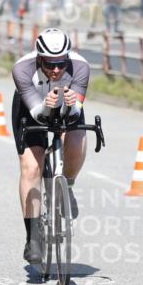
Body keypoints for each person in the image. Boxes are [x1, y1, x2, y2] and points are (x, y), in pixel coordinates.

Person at [11, 28, 90, 265]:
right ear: (38, 58)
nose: (56, 70)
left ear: (68, 57)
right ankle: (33, 237)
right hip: (32, 106)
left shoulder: (81, 67)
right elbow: (37, 113)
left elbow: (75, 110)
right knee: (32, 167)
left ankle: (69, 186)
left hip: (68, 105)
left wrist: (68, 104)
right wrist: (47, 106)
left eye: (61, 64)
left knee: (76, 139)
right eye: (49, 64)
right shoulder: (22, 69)